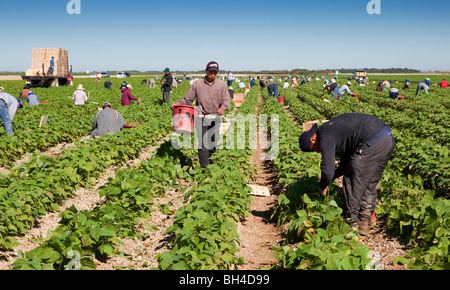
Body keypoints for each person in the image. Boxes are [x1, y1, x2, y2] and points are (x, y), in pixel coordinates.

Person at [298, 113, 395, 236]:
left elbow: (328, 170)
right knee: (369, 183)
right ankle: (364, 223)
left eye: (313, 149)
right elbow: (344, 164)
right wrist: (331, 178)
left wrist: (323, 185)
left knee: (352, 180)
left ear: (313, 139)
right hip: (386, 139)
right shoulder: (335, 132)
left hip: (372, 141)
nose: (317, 152)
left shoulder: (325, 135)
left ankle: (351, 223)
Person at [171, 61, 230, 168]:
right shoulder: (197, 84)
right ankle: (204, 169)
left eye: (215, 72)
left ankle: (212, 167)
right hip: (201, 118)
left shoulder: (222, 85)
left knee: (212, 144)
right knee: (203, 145)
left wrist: (223, 108)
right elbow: (187, 99)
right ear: (206, 71)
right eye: (210, 72)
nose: (212, 74)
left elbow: (226, 101)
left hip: (215, 118)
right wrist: (178, 104)